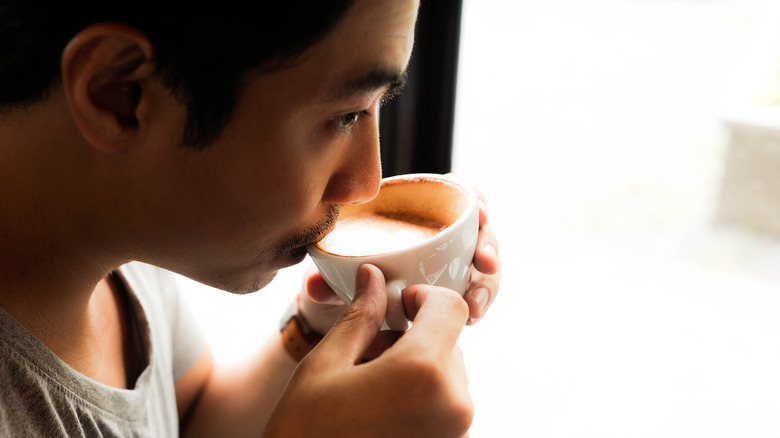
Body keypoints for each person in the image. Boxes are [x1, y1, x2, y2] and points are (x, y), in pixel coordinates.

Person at [0, 0, 501, 436]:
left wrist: (317, 329)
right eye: (345, 115)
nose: (367, 183)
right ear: (119, 95)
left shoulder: (123, 240)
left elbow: (191, 421)